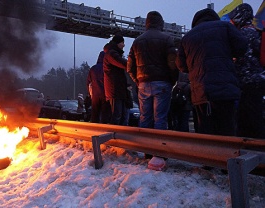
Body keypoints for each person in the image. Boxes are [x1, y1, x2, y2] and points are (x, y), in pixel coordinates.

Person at [176, 8, 248, 137]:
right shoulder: (225, 27)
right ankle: (227, 156)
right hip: (225, 89)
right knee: (227, 129)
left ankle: (208, 156)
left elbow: (181, 66)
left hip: (201, 92)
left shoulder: (187, 37)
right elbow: (242, 46)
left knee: (205, 133)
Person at [127, 11, 178, 171]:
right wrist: (172, 80)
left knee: (145, 118)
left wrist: (138, 80)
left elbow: (130, 67)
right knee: (160, 118)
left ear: (146, 24)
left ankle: (147, 152)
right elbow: (172, 63)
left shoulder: (137, 41)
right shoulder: (167, 39)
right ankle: (159, 152)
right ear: (160, 23)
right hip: (162, 83)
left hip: (143, 84)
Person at [229, 3, 265, 139]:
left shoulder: (239, 35)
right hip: (260, 80)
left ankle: (251, 150)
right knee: (257, 115)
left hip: (244, 82)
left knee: (245, 120)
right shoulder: (259, 33)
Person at [103, 34, 128, 125]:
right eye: (122, 42)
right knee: (117, 115)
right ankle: (114, 135)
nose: (124, 45)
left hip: (117, 89)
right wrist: (134, 63)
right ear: (117, 43)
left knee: (119, 115)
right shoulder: (112, 54)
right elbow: (123, 64)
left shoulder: (112, 53)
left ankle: (118, 135)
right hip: (114, 90)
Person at [86, 46, 111, 123]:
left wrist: (90, 94)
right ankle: (104, 130)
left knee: (95, 114)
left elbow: (88, 83)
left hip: (95, 95)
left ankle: (94, 129)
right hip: (105, 94)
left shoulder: (93, 68)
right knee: (105, 115)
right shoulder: (107, 67)